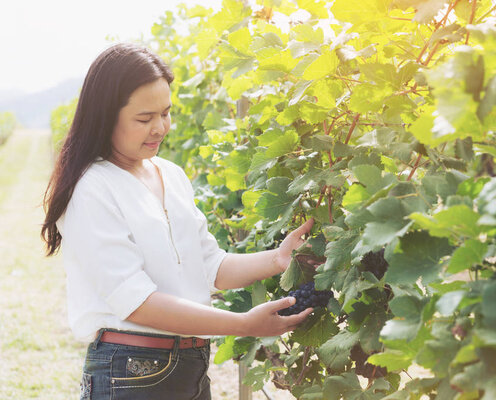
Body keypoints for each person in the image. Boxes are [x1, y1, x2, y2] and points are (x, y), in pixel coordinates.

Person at [41, 43, 314, 400]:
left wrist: (277, 260)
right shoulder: (91, 188)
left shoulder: (170, 174)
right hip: (133, 372)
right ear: (105, 115)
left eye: (166, 113)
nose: (159, 128)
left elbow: (210, 266)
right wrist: (243, 324)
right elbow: (137, 301)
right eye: (144, 118)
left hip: (192, 364)